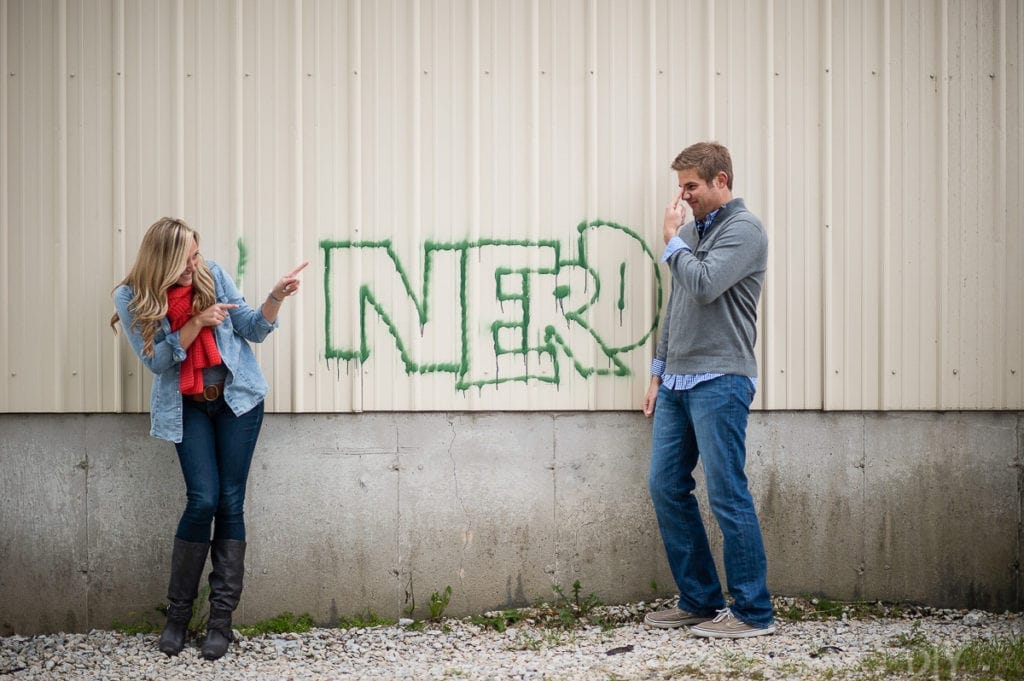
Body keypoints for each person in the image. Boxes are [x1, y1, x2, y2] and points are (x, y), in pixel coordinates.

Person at [110, 217, 307, 659]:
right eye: (185, 260)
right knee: (202, 500)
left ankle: (221, 623)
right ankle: (177, 617)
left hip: (236, 401)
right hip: (188, 405)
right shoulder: (131, 298)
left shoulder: (211, 274)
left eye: (197, 255)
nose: (194, 266)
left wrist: (275, 297)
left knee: (229, 502)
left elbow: (253, 329)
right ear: (161, 261)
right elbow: (159, 362)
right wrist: (197, 321)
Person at [641, 142, 774, 638]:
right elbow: (679, 306)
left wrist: (672, 240)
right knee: (665, 485)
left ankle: (753, 613)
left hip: (721, 378)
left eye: (690, 186)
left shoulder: (745, 230)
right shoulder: (695, 230)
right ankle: (699, 599)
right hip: (677, 380)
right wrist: (658, 371)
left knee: (726, 493)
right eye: (680, 187)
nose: (683, 196)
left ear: (721, 180)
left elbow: (704, 284)